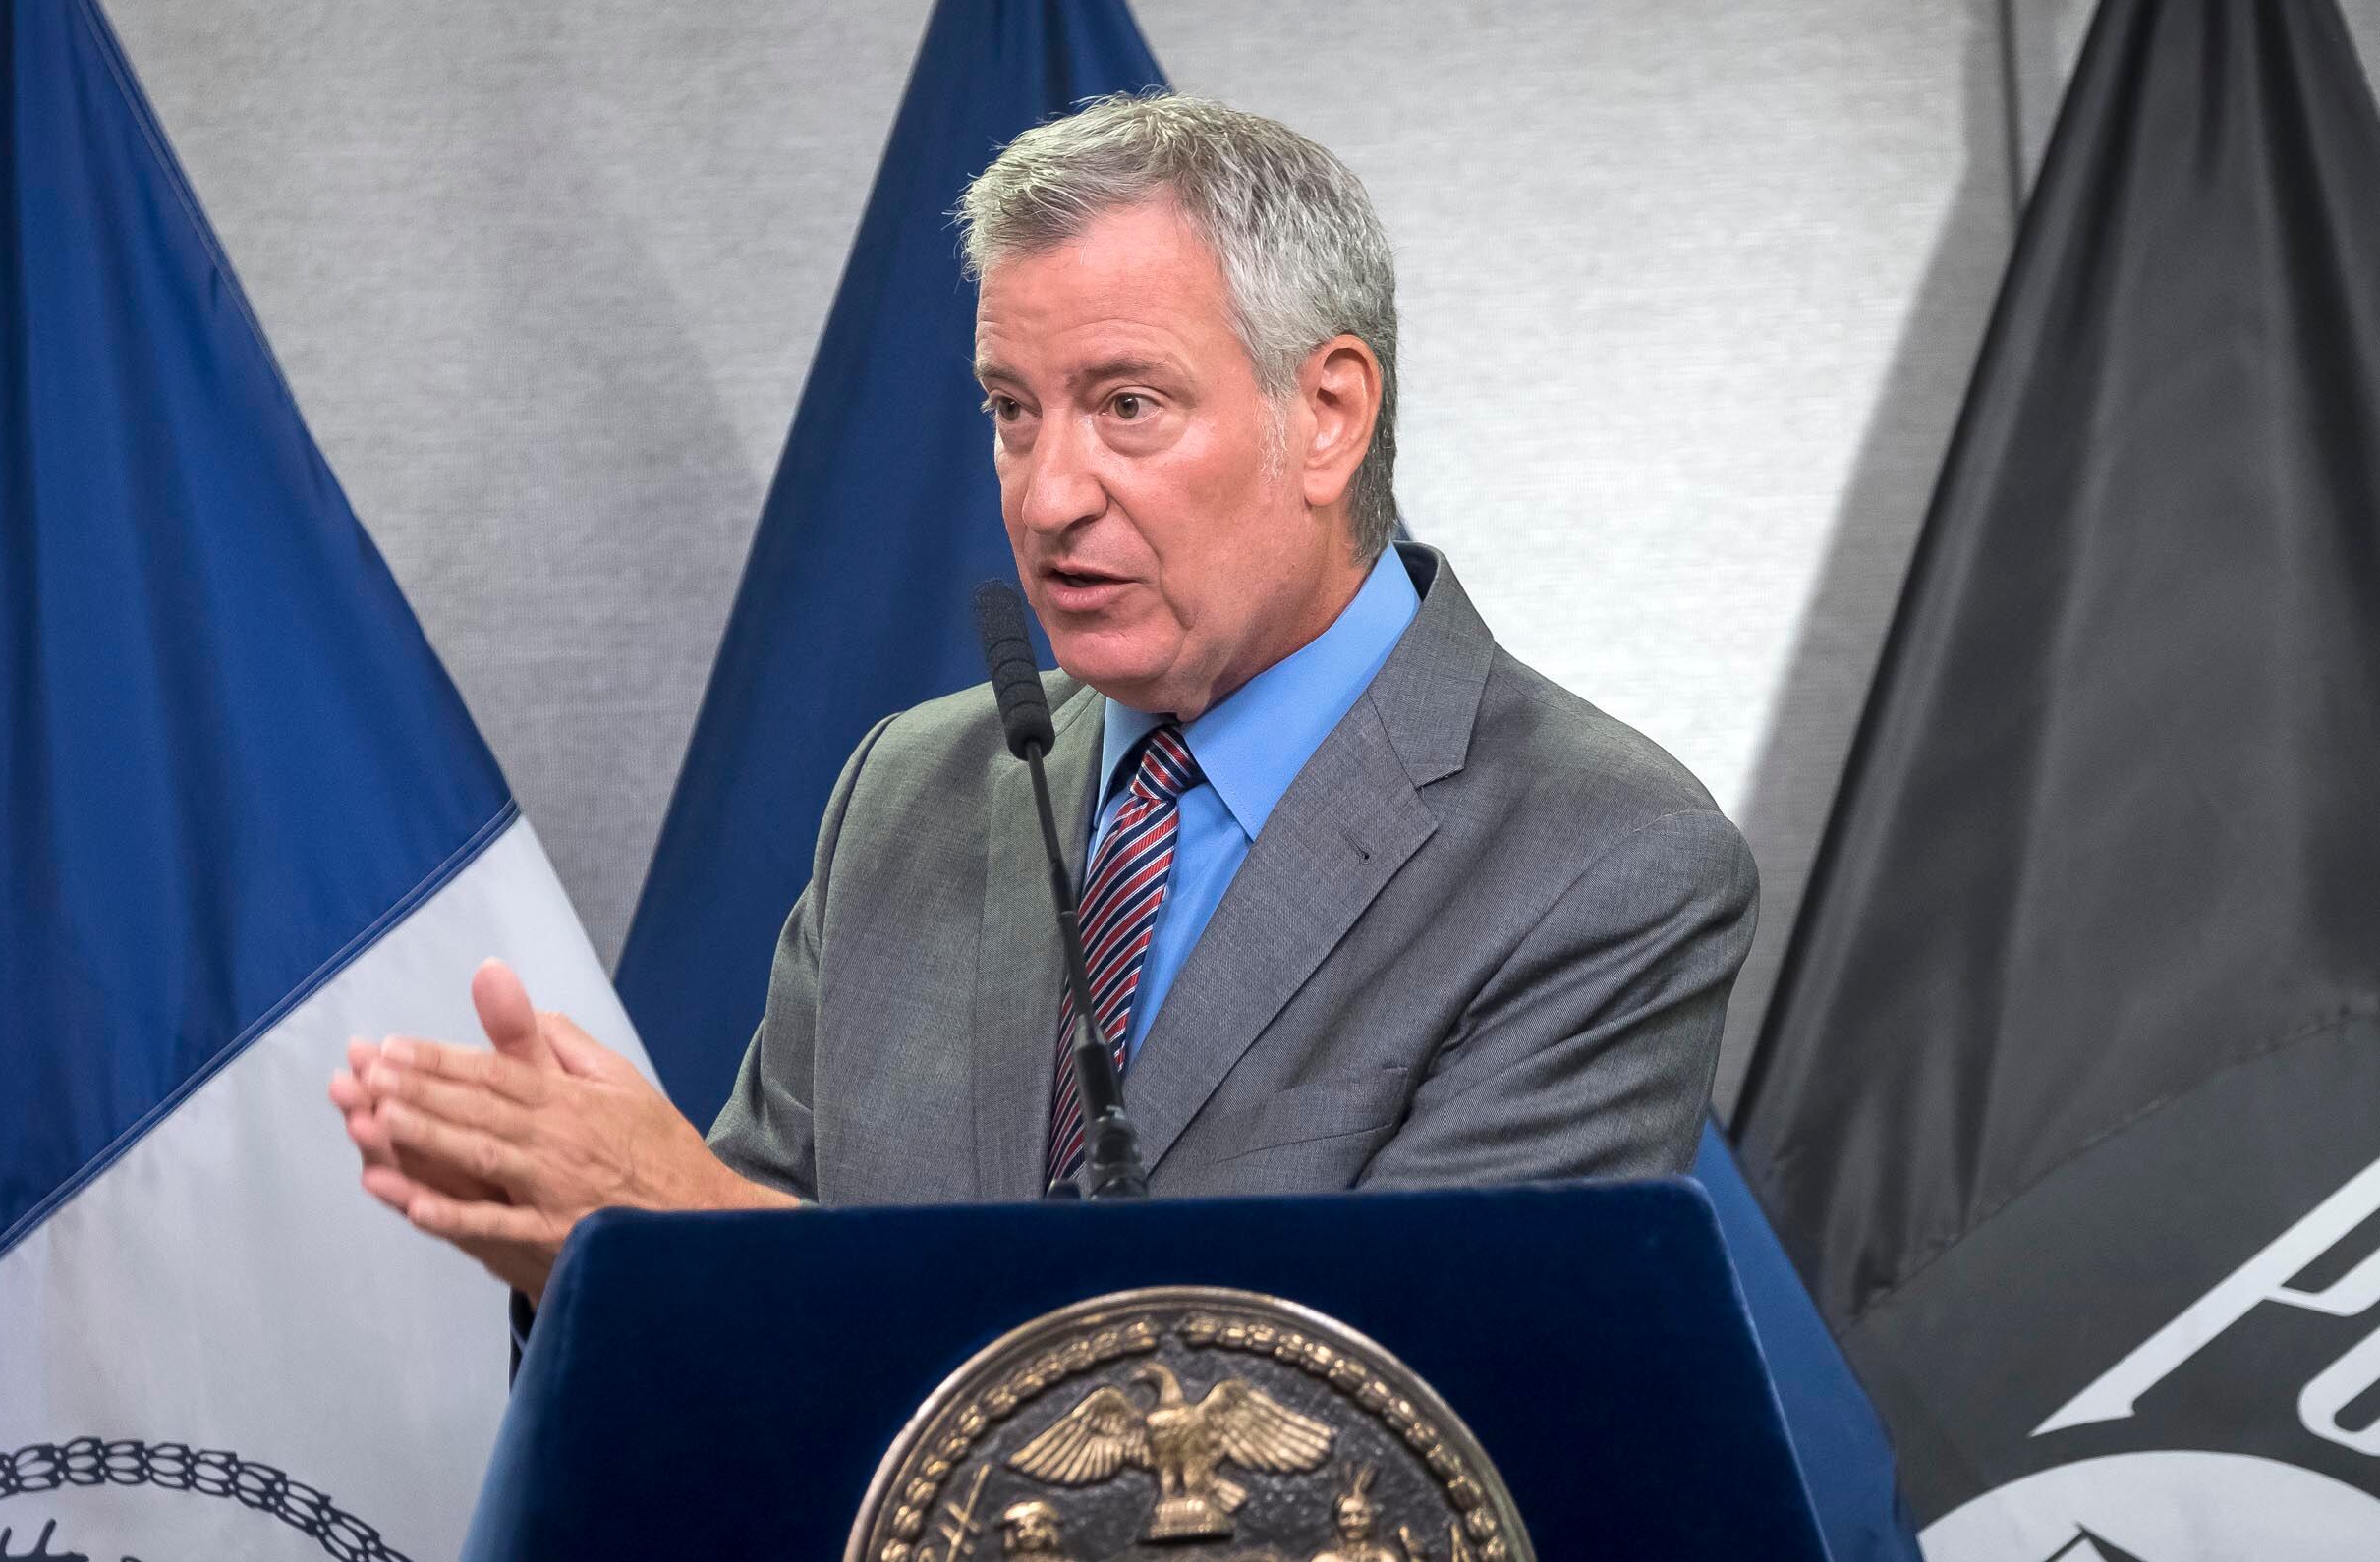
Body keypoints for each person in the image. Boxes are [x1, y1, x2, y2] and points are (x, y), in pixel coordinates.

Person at [329, 94, 1757, 1308]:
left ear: (1326, 415)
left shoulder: (1601, 859)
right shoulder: (908, 791)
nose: (1047, 492)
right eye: (1013, 409)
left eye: (1127, 405)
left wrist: (700, 1240)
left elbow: (1382, 1432)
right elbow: (720, 1372)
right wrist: (599, 1263)